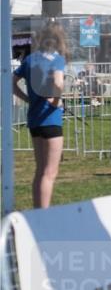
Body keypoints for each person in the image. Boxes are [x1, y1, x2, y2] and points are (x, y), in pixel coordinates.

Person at [13, 23, 67, 208]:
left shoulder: (30, 59)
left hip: (34, 119)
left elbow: (12, 81)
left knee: (40, 170)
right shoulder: (57, 59)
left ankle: (38, 211)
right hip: (51, 119)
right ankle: (44, 213)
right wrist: (56, 100)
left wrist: (27, 98)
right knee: (50, 173)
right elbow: (58, 84)